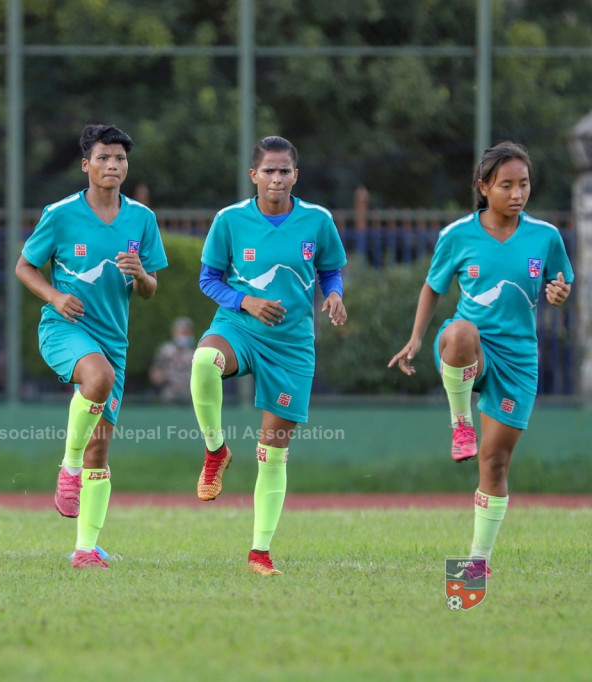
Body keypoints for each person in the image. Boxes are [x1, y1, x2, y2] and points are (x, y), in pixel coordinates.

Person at [389, 141, 572, 577]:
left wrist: (560, 294)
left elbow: (561, 284)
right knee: (459, 331)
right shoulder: (457, 235)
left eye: (523, 184)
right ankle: (460, 423)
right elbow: (433, 287)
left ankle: (477, 563)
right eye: (506, 184)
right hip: (471, 348)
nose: (517, 193)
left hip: (518, 360)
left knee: (494, 463)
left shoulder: (546, 237)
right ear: (483, 187)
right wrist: (416, 339)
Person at [190, 135, 347, 576]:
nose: (276, 179)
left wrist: (334, 295)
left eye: (285, 171)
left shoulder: (317, 220)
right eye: (269, 171)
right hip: (238, 327)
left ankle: (260, 553)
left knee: (272, 453)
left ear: (296, 175)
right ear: (253, 175)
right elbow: (209, 279)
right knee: (203, 362)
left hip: (292, 344)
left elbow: (331, 270)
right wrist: (245, 301)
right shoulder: (229, 220)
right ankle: (215, 450)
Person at [15, 123, 168, 569]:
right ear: (86, 165)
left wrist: (140, 274)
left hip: (112, 339)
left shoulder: (142, 219)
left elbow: (150, 290)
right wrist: (55, 296)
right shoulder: (60, 213)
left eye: (119, 158)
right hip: (64, 329)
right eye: (103, 158)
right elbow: (24, 267)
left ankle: (84, 550)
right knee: (97, 379)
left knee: (100, 450)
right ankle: (68, 467)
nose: (112, 165)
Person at [148, 316, 195, 403]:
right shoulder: (166, 350)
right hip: (169, 395)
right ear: (175, 332)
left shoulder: (194, 352)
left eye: (187, 332)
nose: (185, 335)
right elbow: (155, 373)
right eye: (182, 332)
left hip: (189, 396)